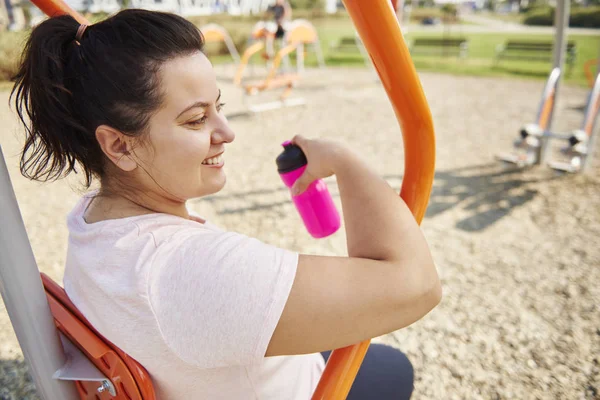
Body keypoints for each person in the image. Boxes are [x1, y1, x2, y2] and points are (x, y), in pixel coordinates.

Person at [11, 10, 442, 400]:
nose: (226, 132)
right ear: (119, 145)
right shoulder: (191, 272)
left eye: (219, 107)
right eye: (196, 119)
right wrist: (348, 163)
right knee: (395, 366)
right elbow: (417, 285)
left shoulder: (94, 220)